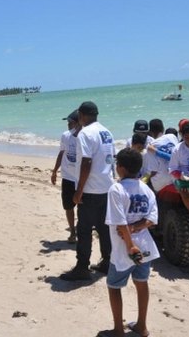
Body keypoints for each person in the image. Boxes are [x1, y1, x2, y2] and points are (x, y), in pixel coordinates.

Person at [103, 148, 159, 337]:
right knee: (141, 283)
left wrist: (130, 245)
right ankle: (141, 326)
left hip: (124, 249)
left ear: (121, 168)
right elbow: (151, 220)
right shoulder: (147, 190)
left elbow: (119, 222)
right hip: (145, 246)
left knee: (114, 286)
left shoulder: (116, 189)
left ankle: (119, 330)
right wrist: (136, 228)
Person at [60, 101, 114, 281]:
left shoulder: (85, 133)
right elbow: (110, 160)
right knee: (104, 228)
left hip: (90, 189)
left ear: (82, 116)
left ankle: (82, 267)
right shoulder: (107, 132)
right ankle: (107, 262)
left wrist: (79, 190)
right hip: (106, 187)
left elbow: (86, 162)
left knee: (84, 230)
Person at [51, 110, 81, 243]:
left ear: (77, 123)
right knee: (68, 206)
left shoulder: (85, 137)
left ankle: (81, 230)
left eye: (70, 122)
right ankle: (72, 232)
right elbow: (61, 153)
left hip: (81, 178)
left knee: (82, 207)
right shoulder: (65, 136)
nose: (68, 124)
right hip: (68, 177)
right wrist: (54, 171)